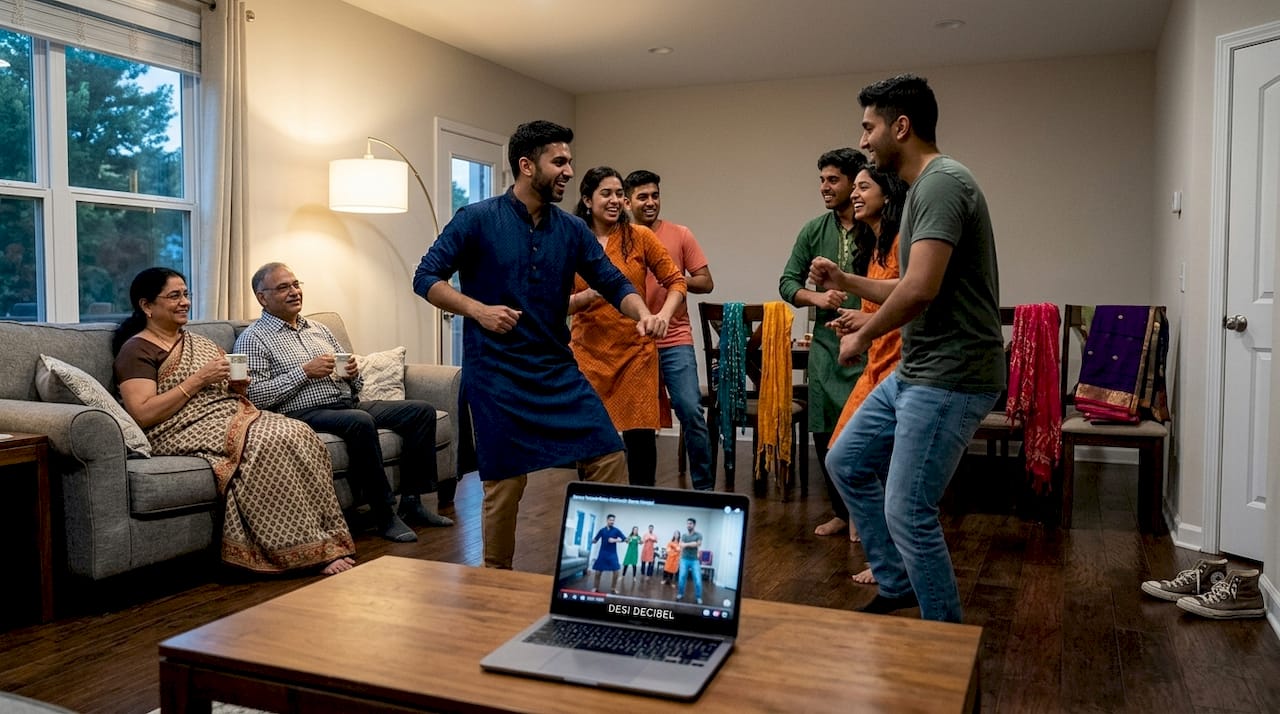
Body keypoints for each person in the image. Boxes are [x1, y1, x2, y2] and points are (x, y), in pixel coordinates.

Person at [413, 120, 667, 569]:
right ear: (528, 166)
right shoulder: (476, 219)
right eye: (560, 161)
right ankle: (496, 576)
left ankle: (603, 570)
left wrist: (643, 314)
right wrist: (477, 309)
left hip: (556, 370)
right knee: (505, 484)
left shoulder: (570, 229)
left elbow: (612, 282)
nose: (570, 170)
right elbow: (425, 277)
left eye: (570, 160)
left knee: (608, 451)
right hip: (496, 373)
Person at [824, 74, 1005, 623]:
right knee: (846, 462)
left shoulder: (943, 183)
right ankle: (896, 581)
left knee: (908, 510)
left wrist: (864, 332)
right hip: (919, 370)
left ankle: (944, 641)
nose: (862, 141)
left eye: (868, 127)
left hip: (952, 375)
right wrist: (848, 280)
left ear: (900, 127)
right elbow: (909, 283)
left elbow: (921, 290)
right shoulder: (928, 188)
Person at [112, 267, 356, 576]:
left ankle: (326, 540)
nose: (184, 302)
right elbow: (143, 413)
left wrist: (235, 387)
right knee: (269, 441)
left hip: (225, 412)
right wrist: (200, 379)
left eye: (186, 294)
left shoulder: (197, 341)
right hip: (175, 427)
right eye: (174, 296)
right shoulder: (136, 350)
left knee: (297, 430)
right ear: (147, 306)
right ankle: (296, 550)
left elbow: (223, 389)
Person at [234, 262, 453, 544]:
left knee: (420, 411)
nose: (294, 292)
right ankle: (384, 513)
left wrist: (353, 374)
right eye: (283, 287)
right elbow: (255, 397)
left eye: (296, 284)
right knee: (360, 421)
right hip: (298, 414)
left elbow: (354, 382)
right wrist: (304, 372)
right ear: (262, 297)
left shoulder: (319, 329)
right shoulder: (254, 339)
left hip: (343, 402)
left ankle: (412, 501)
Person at [810, 164, 908, 585]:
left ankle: (888, 560)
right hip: (878, 361)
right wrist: (856, 319)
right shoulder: (877, 246)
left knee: (876, 466)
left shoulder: (903, 240)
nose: (854, 193)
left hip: (901, 364)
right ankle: (881, 553)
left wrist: (862, 330)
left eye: (863, 187)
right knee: (841, 454)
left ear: (887, 195)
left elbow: (909, 296)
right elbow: (883, 305)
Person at [570, 166, 687, 486]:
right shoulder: (572, 240)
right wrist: (587, 297)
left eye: (619, 194)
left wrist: (661, 316)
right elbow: (552, 303)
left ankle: (642, 503)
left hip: (636, 350)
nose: (615, 200)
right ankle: (592, 501)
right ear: (586, 200)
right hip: (589, 352)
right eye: (606, 194)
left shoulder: (640, 236)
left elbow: (676, 282)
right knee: (590, 435)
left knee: (640, 439)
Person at [779, 148, 868, 541]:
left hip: (870, 345)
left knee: (865, 433)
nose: (825, 188)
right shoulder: (814, 230)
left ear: (853, 182)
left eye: (833, 180)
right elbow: (787, 282)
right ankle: (840, 512)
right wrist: (816, 299)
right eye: (821, 180)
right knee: (824, 428)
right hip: (826, 349)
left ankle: (867, 517)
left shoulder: (878, 228)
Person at [624, 169, 716, 491]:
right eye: (642, 197)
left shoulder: (680, 234)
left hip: (675, 337)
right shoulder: (619, 239)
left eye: (655, 195)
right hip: (634, 341)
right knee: (640, 423)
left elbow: (706, 282)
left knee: (690, 410)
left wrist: (672, 276)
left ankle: (704, 489)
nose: (650, 203)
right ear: (627, 201)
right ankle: (642, 490)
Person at [591, 514, 625, 593]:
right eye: (610, 520)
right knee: (598, 572)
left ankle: (613, 588)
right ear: (607, 520)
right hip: (602, 553)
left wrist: (615, 540)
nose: (612, 522)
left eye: (613, 520)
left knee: (616, 572)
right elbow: (595, 540)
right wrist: (593, 541)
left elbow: (625, 539)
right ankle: (595, 587)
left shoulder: (616, 530)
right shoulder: (602, 530)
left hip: (612, 554)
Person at [676, 518, 704, 604]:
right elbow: (681, 545)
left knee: (698, 580)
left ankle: (698, 597)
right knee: (681, 578)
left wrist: (686, 544)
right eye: (688, 523)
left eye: (690, 523)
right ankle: (680, 594)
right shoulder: (684, 535)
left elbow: (698, 544)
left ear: (694, 525)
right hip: (684, 559)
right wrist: (679, 559)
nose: (688, 525)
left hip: (694, 560)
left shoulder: (698, 535)